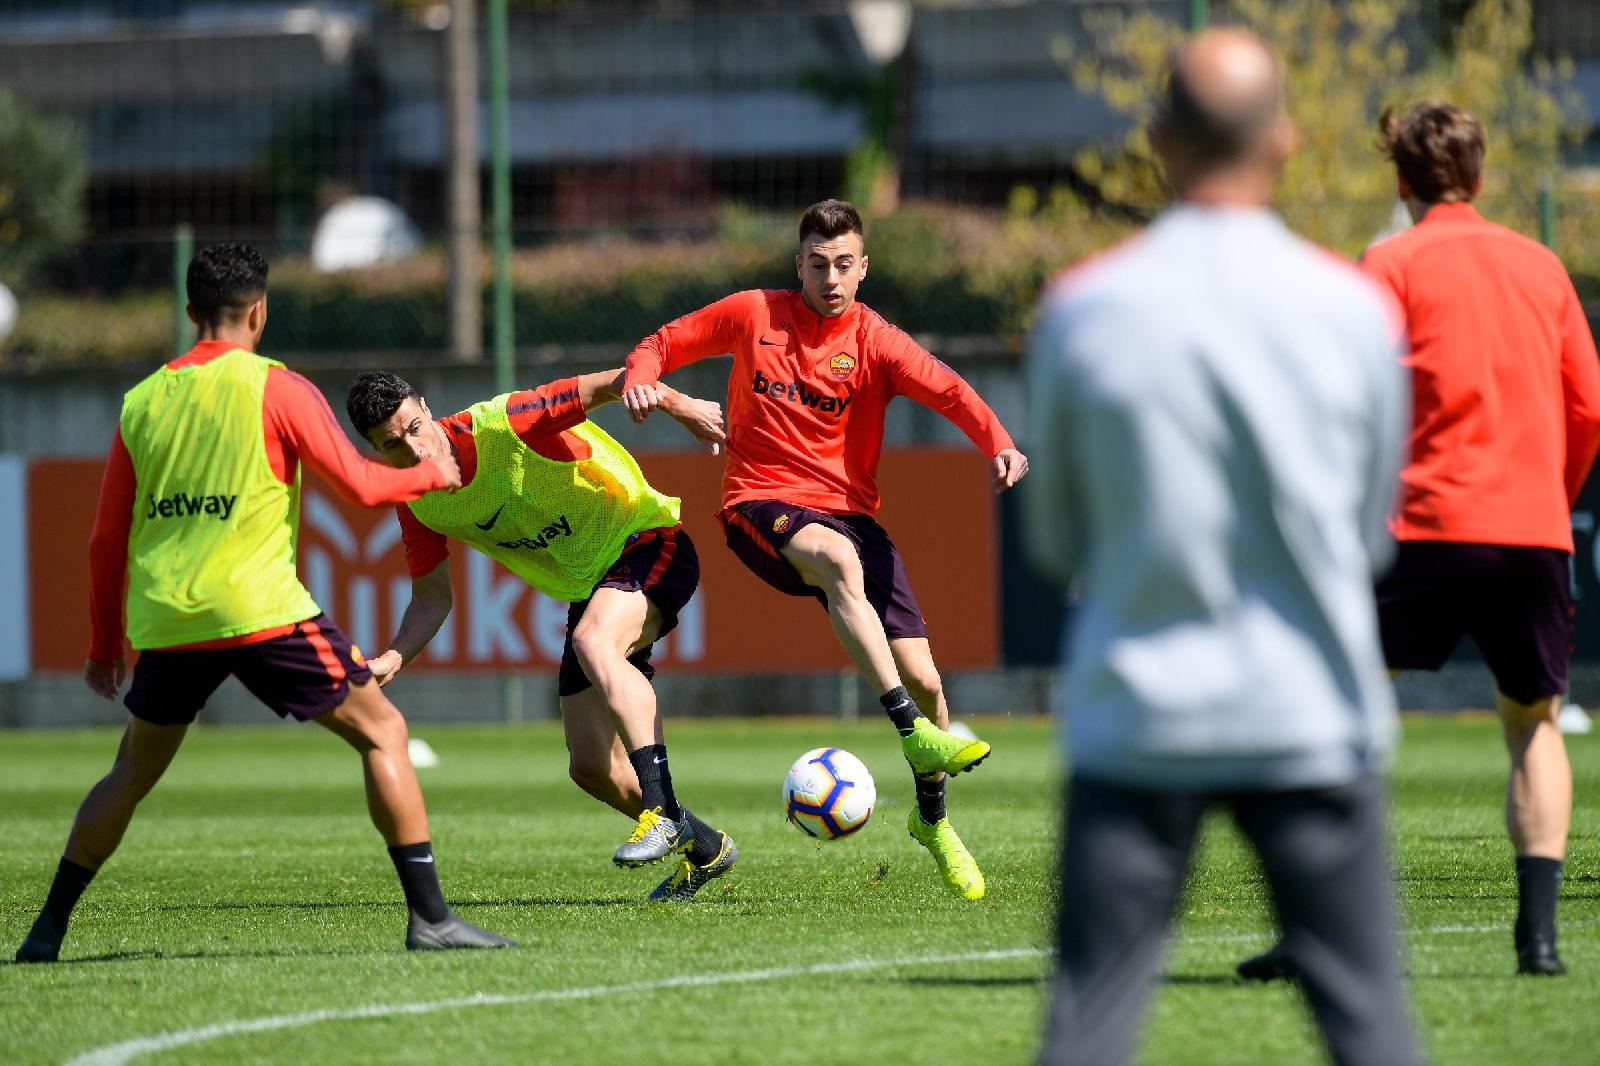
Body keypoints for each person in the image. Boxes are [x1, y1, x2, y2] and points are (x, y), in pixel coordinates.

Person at [1025, 30, 1422, 1065]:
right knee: (1371, 1026)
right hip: (1310, 708)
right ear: (1284, 138)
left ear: (1157, 140)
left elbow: (1056, 536)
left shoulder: (1082, 310)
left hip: (1135, 716)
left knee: (1087, 1026)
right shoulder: (1352, 309)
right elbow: (1371, 533)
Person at [15, 243, 513, 963]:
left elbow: (104, 541)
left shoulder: (141, 402)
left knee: (130, 772)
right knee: (383, 733)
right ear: (260, 310)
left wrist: (102, 649)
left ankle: (47, 930)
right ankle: (431, 918)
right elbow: (367, 487)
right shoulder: (277, 388)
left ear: (191, 314)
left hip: (169, 619)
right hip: (260, 611)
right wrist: (435, 475)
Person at [1237, 102, 1600, 982]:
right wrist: (1551, 506)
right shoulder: (1542, 265)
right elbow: (1587, 407)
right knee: (1534, 724)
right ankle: (1539, 942)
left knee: (1326, 711)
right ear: (1479, 176)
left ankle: (1315, 930)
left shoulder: (1388, 264)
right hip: (1532, 531)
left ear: (1401, 180)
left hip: (1425, 528)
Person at [619, 199, 1028, 900]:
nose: (831, 276)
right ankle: (908, 728)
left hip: (852, 518)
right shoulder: (754, 315)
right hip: (758, 504)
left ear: (863, 269)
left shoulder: (877, 341)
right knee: (838, 563)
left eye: (844, 264)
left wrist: (998, 441)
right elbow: (662, 342)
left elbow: (951, 391)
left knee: (931, 685)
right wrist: (639, 378)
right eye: (818, 263)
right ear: (797, 265)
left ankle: (932, 821)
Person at [344, 368, 739, 901]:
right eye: (392, 445)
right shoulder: (416, 500)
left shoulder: (505, 424)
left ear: (425, 405)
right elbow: (433, 596)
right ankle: (705, 846)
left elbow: (619, 380)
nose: (411, 449)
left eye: (415, 427)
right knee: (591, 767)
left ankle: (664, 813)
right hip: (590, 583)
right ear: (374, 451)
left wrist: (681, 404)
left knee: (595, 642)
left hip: (646, 538)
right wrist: (393, 656)